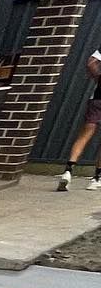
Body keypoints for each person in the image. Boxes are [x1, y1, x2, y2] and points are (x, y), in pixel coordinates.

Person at [56, 46, 101, 190]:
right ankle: (96, 178)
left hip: (97, 99)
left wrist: (98, 79)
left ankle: (68, 171)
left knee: (84, 135)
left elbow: (91, 63)